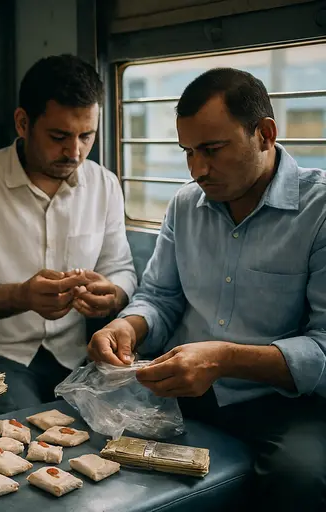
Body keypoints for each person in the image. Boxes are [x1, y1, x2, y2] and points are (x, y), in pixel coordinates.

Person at [88, 67, 326, 512]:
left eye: (213, 150)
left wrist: (223, 358)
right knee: (96, 454)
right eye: (188, 152)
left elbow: (324, 348)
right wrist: (128, 327)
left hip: (285, 404)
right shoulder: (184, 204)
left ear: (265, 134)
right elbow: (160, 297)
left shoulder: (319, 213)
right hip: (186, 389)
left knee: (301, 477)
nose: (198, 169)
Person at [0, 54, 136, 415]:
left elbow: (121, 267)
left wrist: (111, 296)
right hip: (0, 355)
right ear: (23, 122)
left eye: (87, 136)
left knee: (125, 428)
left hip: (78, 354)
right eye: (59, 136)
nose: (74, 151)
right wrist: (22, 296)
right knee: (30, 433)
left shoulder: (104, 185)